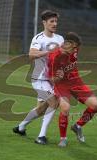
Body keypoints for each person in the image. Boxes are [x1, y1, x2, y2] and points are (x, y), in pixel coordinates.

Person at [13, 10, 64, 145]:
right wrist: (49, 52)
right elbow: (31, 55)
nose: (54, 24)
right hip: (39, 78)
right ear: (44, 23)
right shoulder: (38, 38)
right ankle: (41, 136)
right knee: (54, 102)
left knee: (41, 109)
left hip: (52, 80)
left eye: (56, 21)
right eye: (51, 21)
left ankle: (21, 127)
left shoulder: (60, 39)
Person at [48, 32, 97, 147]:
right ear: (67, 44)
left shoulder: (74, 48)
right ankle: (63, 138)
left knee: (95, 106)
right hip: (61, 85)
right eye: (75, 47)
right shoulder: (54, 56)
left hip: (76, 82)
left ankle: (78, 126)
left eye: (77, 47)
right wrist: (58, 77)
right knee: (65, 108)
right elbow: (52, 79)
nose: (76, 50)